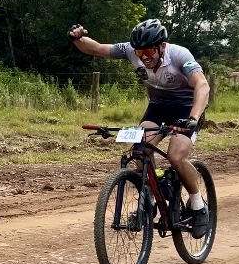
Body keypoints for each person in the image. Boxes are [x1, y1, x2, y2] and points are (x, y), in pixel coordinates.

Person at [67, 19, 211, 238]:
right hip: (158, 108)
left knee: (176, 156)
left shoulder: (180, 55)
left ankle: (198, 205)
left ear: (162, 46)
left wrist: (193, 118)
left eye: (148, 51)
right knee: (140, 149)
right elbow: (96, 48)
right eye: (139, 51)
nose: (143, 57)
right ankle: (150, 200)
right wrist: (77, 39)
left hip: (186, 109)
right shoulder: (131, 51)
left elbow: (202, 85)